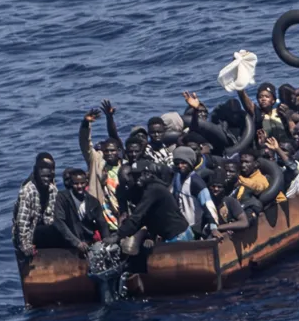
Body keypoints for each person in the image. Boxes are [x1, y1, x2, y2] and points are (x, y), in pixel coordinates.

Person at [104, 160, 194, 246]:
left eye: (140, 175)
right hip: (174, 234)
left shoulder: (153, 189)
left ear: (148, 174)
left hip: (178, 235)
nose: (137, 179)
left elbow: (137, 216)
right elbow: (145, 218)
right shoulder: (145, 190)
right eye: (135, 176)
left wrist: (118, 235)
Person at [12, 152, 61, 266]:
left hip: (42, 229)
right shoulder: (27, 191)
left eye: (48, 177)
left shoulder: (52, 190)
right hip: (27, 235)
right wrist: (25, 246)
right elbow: (22, 223)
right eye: (43, 177)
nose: (46, 180)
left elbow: (52, 217)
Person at [80, 105, 121, 233]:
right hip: (102, 219)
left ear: (118, 151)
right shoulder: (97, 162)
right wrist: (85, 124)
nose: (109, 153)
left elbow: (115, 136)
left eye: (112, 150)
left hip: (121, 217)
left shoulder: (125, 166)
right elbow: (85, 144)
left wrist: (110, 118)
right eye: (106, 151)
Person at [53, 168, 110, 254]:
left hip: (87, 242)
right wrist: (76, 242)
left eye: (82, 183)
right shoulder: (62, 198)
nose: (79, 186)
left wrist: (106, 240)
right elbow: (59, 221)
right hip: (68, 242)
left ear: (86, 182)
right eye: (76, 184)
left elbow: (102, 223)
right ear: (71, 183)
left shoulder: (93, 201)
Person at [171, 146, 220, 237]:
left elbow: (208, 204)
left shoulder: (195, 181)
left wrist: (213, 227)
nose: (180, 166)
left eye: (183, 163)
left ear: (190, 163)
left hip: (195, 227)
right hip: (181, 226)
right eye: (177, 163)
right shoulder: (177, 177)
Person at [207, 168, 250, 239]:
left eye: (219, 187)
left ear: (224, 188)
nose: (216, 189)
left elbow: (244, 222)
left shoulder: (230, 201)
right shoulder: (207, 202)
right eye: (213, 186)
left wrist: (218, 228)